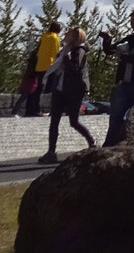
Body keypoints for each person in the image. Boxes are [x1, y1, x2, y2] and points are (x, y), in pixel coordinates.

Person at [40, 27, 96, 163]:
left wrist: (65, 60)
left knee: (74, 121)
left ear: (76, 37)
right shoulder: (66, 51)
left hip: (73, 91)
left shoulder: (79, 51)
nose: (66, 35)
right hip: (60, 89)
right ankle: (51, 152)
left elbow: (76, 69)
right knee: (54, 121)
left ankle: (91, 142)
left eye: (69, 34)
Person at [102, 8, 134, 147]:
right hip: (125, 82)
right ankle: (108, 146)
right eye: (130, 21)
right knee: (116, 117)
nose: (131, 24)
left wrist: (125, 57)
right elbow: (111, 50)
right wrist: (107, 40)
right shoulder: (131, 38)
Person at [24, 20, 61, 118]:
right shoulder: (55, 37)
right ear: (57, 29)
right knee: (55, 88)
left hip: (39, 66)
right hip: (50, 66)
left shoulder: (44, 36)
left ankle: (34, 109)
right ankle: (55, 109)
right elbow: (56, 53)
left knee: (38, 89)